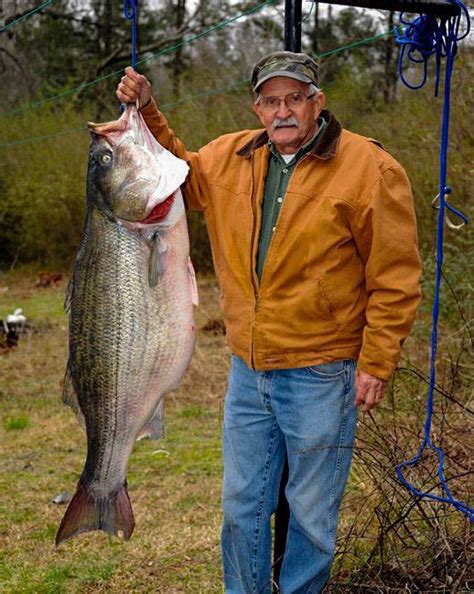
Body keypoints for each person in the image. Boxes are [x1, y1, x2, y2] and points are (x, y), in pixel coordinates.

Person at [116, 51, 422, 593]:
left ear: (317, 103)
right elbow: (172, 177)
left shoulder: (371, 168)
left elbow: (395, 275)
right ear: (257, 108)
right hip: (248, 372)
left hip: (322, 372)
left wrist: (377, 360)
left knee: (310, 515)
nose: (284, 111)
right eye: (272, 100)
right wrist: (147, 109)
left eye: (295, 98)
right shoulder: (229, 156)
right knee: (242, 507)